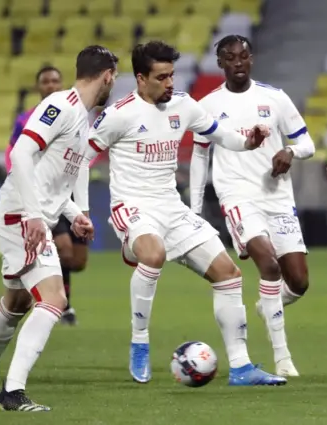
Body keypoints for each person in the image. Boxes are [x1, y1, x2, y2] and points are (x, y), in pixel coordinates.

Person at [86, 41, 287, 386]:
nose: (169, 83)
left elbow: (224, 136)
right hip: (132, 206)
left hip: (171, 208)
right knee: (154, 253)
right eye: (161, 77)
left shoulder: (184, 105)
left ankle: (240, 367)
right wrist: (79, 208)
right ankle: (140, 341)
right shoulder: (119, 115)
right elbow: (81, 158)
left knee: (229, 273)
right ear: (140, 78)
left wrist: (251, 140)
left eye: (171, 75)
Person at [0, 45, 118, 411]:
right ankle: (13, 393)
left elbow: (52, 179)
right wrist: (34, 216)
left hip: (30, 216)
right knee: (54, 299)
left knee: (16, 301)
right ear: (108, 76)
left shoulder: (83, 117)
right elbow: (19, 154)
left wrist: (75, 211)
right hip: (23, 218)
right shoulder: (61, 106)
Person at [189, 35, 315, 377]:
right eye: (230, 58)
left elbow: (306, 142)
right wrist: (196, 210)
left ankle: (267, 305)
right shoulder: (208, 105)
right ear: (220, 64)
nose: (238, 63)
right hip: (237, 197)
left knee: (299, 283)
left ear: (252, 59)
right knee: (269, 266)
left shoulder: (275, 98)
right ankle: (282, 357)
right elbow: (200, 157)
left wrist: (290, 152)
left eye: (244, 56)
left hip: (277, 197)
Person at [6, 66, 87, 326]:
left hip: (70, 191)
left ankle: (44, 288)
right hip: (45, 193)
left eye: (55, 80)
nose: (51, 85)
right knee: (61, 248)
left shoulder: (74, 114)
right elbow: (15, 152)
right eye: (45, 81)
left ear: (62, 83)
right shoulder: (27, 119)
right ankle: (60, 305)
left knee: (78, 260)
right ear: (38, 87)